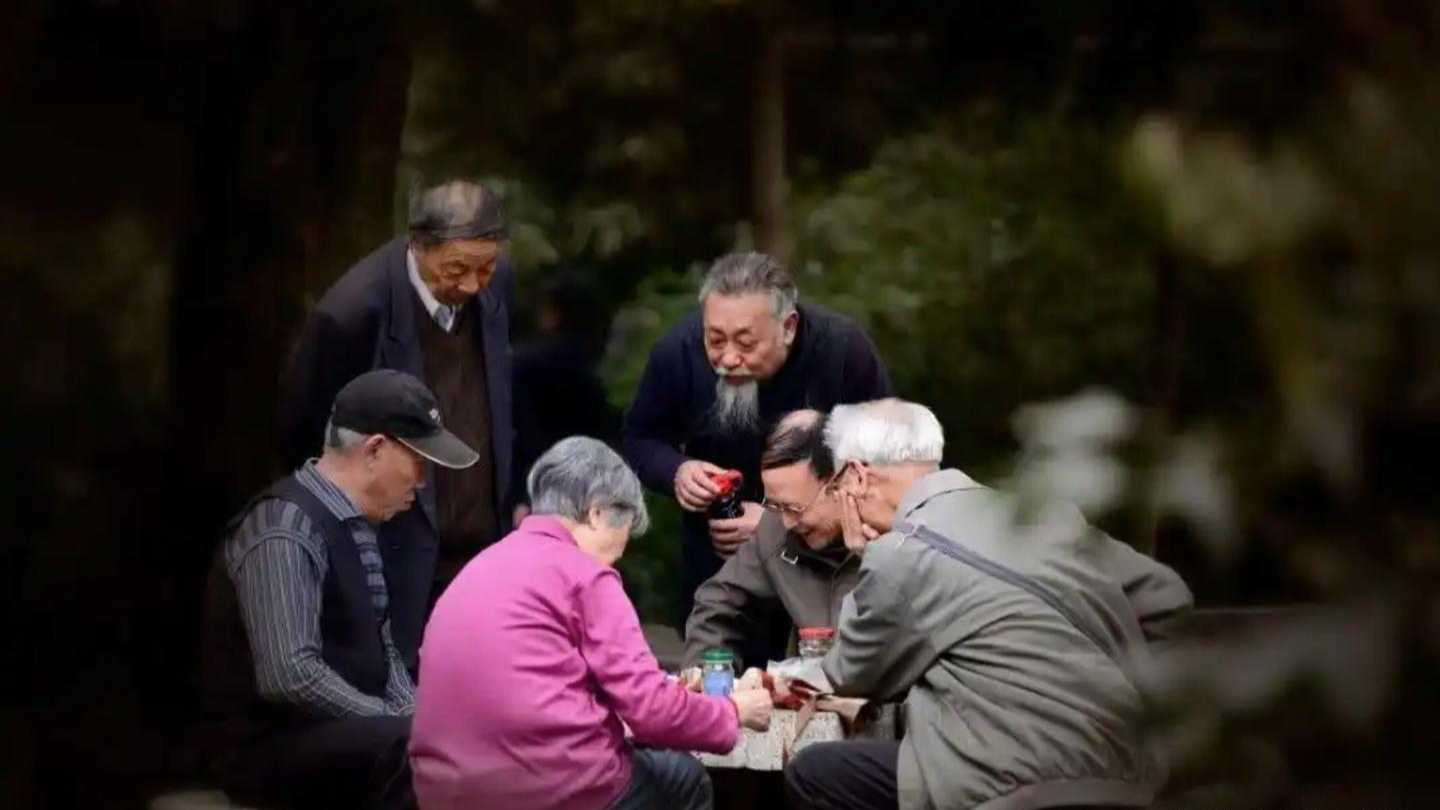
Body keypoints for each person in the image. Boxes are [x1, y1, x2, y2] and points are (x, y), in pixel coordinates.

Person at [784, 399, 1195, 810]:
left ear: (857, 476)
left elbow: (851, 673)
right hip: (1128, 773)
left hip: (1014, 784)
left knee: (815, 773)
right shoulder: (1043, 518)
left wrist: (864, 554)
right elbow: (1167, 595)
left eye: (835, 487)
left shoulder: (904, 552)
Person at [409, 437, 774, 810]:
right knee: (682, 780)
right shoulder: (584, 574)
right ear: (598, 512)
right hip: (548, 789)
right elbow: (651, 712)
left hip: (442, 790)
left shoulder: (482, 565)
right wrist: (733, 710)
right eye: (619, 544)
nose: (615, 561)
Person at [203, 369, 482, 810]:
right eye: (418, 462)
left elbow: (382, 655)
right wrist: (400, 722)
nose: (424, 481)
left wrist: (422, 717)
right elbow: (288, 674)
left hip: (346, 736)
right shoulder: (284, 525)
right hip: (269, 747)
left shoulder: (358, 526)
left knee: (461, 737)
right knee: (413, 748)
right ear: (374, 450)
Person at [277, 178, 515, 669]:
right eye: (457, 270)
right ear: (416, 245)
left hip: (479, 551)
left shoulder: (490, 293)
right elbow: (305, 438)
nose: (472, 285)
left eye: (487, 268)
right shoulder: (352, 315)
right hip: (394, 555)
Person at [622, 251, 892, 632]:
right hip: (717, 572)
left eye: (746, 343)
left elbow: (884, 468)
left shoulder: (843, 353)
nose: (728, 358)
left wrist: (778, 524)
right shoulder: (678, 351)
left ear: (788, 326)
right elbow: (640, 437)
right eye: (715, 340)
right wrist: (676, 471)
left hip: (824, 570)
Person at [681, 409, 861, 668]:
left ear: (840, 482)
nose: (786, 522)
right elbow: (718, 602)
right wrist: (708, 676)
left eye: (794, 508)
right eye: (775, 505)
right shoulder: (776, 527)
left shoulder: (892, 534)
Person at [512, 270, 621, 489]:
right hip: (593, 477)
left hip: (537, 474)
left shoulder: (523, 364)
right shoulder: (604, 365)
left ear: (554, 313)